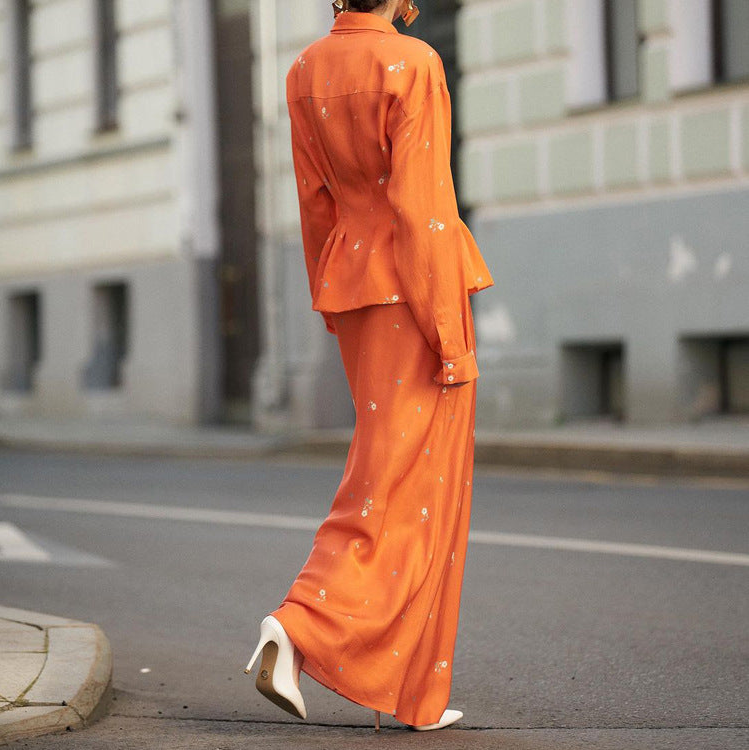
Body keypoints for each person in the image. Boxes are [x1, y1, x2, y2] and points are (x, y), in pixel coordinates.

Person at [243, 0, 494, 732]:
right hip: (416, 290)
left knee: (397, 475)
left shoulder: (304, 68)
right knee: (406, 483)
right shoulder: (413, 62)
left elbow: (315, 203)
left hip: (355, 286)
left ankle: (413, 695)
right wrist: (450, 335)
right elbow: (422, 208)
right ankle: (302, 625)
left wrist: (331, 299)